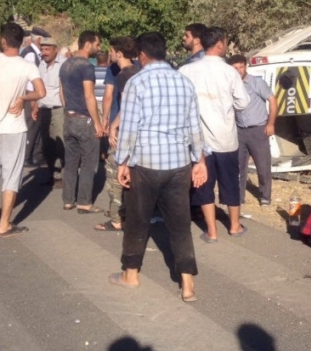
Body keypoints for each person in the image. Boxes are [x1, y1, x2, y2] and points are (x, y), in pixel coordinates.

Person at [109, 31, 206, 303]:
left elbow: (128, 129)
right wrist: (199, 160)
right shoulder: (184, 82)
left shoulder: (137, 83)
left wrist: (122, 162)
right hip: (178, 164)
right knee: (180, 224)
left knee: (137, 221)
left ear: (141, 55)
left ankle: (130, 274)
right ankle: (187, 283)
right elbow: (194, 127)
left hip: (146, 164)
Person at [0, 22, 45, 237]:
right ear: (22, 42)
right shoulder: (26, 66)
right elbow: (40, 92)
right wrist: (24, 97)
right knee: (11, 175)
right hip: (14, 128)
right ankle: (4, 223)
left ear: (3, 41)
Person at [179, 27, 250, 241]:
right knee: (231, 182)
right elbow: (243, 102)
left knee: (204, 184)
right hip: (226, 138)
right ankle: (235, 225)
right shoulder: (229, 72)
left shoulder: (186, 71)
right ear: (220, 43)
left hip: (199, 141)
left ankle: (211, 231)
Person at [96, 36, 140, 232]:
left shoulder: (124, 75)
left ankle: (117, 218)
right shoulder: (139, 71)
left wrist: (112, 124)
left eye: (112, 51)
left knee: (114, 172)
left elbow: (127, 107)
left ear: (119, 53)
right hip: (139, 132)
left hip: (124, 131)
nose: (109, 54)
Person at [59, 30, 105, 213]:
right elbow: (89, 96)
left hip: (69, 118)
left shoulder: (65, 65)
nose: (99, 48)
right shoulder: (86, 66)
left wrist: (67, 109)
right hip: (84, 119)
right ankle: (84, 202)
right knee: (88, 162)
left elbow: (61, 92)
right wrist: (97, 122)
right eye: (98, 44)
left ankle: (68, 199)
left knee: (70, 161)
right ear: (88, 44)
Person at [227, 54, 277, 206]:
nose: (239, 70)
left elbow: (272, 100)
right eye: (235, 68)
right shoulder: (230, 86)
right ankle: (239, 197)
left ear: (246, 66)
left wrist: (271, 124)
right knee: (239, 167)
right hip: (239, 131)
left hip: (258, 130)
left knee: (262, 166)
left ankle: (265, 196)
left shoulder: (256, 82)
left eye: (241, 67)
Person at [32, 36, 65, 187]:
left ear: (55, 49)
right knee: (47, 145)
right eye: (42, 49)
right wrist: (35, 106)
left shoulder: (64, 64)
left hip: (59, 110)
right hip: (44, 109)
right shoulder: (41, 65)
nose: (44, 52)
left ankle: (65, 176)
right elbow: (38, 89)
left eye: (47, 49)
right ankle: (53, 174)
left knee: (61, 143)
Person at [21, 26, 50, 166]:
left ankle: (35, 155)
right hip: (31, 94)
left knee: (36, 124)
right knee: (31, 125)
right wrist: (33, 98)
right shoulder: (31, 54)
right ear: (39, 39)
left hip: (34, 94)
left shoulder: (35, 53)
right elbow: (29, 79)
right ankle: (26, 156)